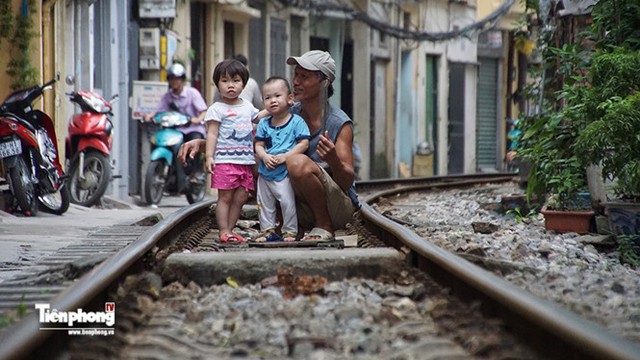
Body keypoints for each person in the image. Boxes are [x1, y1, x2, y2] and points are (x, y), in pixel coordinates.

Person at [179, 50, 360, 242]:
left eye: (304, 76)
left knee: (296, 161)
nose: (296, 81)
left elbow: (347, 181)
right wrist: (202, 145)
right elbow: (243, 142)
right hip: (299, 204)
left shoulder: (339, 123)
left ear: (324, 82)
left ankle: (324, 226)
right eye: (296, 75)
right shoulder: (285, 113)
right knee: (257, 158)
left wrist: (334, 161)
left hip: (336, 208)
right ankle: (285, 226)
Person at [204, 58, 266, 243]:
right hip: (225, 160)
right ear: (217, 85)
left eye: (236, 81)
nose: (230, 85)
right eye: (225, 81)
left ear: (244, 84)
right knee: (225, 197)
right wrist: (209, 156)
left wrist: (274, 107)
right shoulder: (217, 109)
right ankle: (224, 230)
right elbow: (212, 134)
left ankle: (229, 230)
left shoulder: (247, 106)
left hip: (245, 161)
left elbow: (257, 117)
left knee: (241, 197)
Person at [254, 76, 310, 243]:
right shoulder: (264, 123)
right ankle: (268, 231)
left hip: (284, 171)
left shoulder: (296, 122)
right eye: (267, 98)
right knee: (264, 204)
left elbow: (304, 143)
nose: (273, 101)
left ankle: (290, 231)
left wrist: (286, 156)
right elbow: (258, 145)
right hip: (265, 172)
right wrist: (264, 156)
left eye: (277, 96)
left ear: (290, 99)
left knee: (287, 202)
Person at [143, 63, 207, 181]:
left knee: (195, 141)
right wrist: (150, 115)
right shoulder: (168, 96)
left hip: (193, 128)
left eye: (177, 78)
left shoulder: (192, 93)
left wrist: (197, 119)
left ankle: (195, 172)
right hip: (176, 130)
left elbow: (203, 110)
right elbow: (158, 109)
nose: (174, 82)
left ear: (182, 80)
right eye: (171, 79)